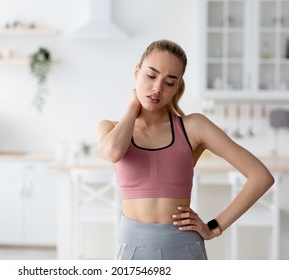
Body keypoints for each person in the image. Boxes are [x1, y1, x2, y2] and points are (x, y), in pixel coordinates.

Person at [96, 39, 275, 260]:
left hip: (184, 247)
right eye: (151, 76)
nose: (157, 88)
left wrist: (214, 227)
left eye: (169, 82)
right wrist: (132, 108)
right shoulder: (110, 128)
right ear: (137, 71)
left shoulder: (194, 127)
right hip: (132, 248)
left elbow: (261, 177)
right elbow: (113, 152)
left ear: (177, 86)